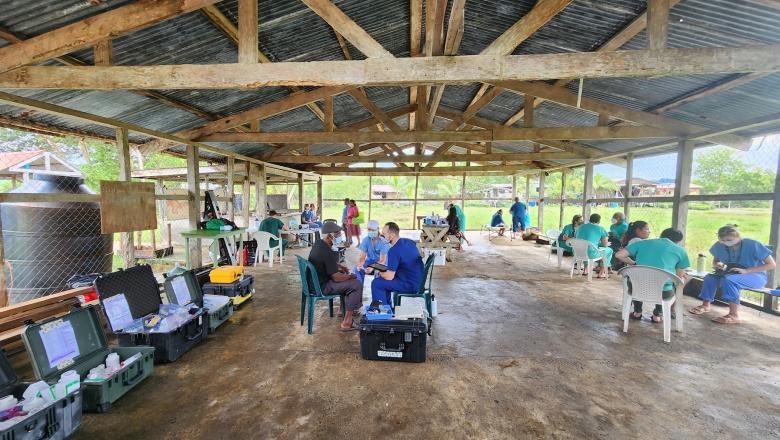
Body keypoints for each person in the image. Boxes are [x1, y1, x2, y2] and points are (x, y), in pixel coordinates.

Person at [689, 225, 776, 324]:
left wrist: (747, 271)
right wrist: (718, 265)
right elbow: (715, 261)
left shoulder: (752, 244)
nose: (726, 243)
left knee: (730, 280)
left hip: (755, 275)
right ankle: (705, 305)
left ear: (738, 236)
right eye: (723, 241)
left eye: (729, 240)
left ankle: (734, 315)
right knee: (710, 277)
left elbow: (771, 265)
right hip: (731, 272)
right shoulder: (720, 245)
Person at [615, 228, 690, 323]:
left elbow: (618, 255)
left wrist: (633, 263)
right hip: (663, 293)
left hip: (636, 289)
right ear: (678, 241)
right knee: (675, 282)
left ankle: (637, 312)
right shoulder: (680, 251)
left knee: (636, 281)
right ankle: (657, 315)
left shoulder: (642, 243)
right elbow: (678, 278)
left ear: (661, 235)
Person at [307, 222, 363, 331]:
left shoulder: (319, 244)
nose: (339, 237)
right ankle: (347, 322)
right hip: (321, 287)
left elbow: (324, 263)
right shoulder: (327, 252)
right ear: (329, 236)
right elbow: (336, 278)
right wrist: (351, 276)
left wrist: (338, 266)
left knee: (346, 278)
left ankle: (344, 310)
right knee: (356, 284)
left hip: (315, 283)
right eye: (337, 234)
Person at [370, 222, 424, 309]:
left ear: (392, 235)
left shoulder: (394, 250)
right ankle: (387, 307)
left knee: (377, 283)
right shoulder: (409, 242)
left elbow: (389, 277)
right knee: (383, 280)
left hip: (410, 285)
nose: (381, 237)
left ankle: (382, 312)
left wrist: (379, 271)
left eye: (384, 234)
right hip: (418, 280)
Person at [574, 213, 613, 279]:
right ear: (599, 221)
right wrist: (598, 243)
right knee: (609, 250)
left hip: (577, 252)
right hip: (591, 254)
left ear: (589, 219)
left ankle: (585, 270)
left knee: (586, 248)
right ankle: (601, 273)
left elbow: (577, 238)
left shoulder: (580, 227)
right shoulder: (600, 229)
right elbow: (605, 245)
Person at [354, 220, 390, 284]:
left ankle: (377, 288)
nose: (371, 232)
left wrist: (372, 267)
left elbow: (382, 261)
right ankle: (359, 287)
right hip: (370, 262)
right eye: (369, 230)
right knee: (357, 269)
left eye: (373, 230)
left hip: (382, 264)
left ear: (378, 229)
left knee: (378, 271)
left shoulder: (384, 241)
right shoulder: (366, 240)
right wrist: (360, 264)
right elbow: (362, 257)